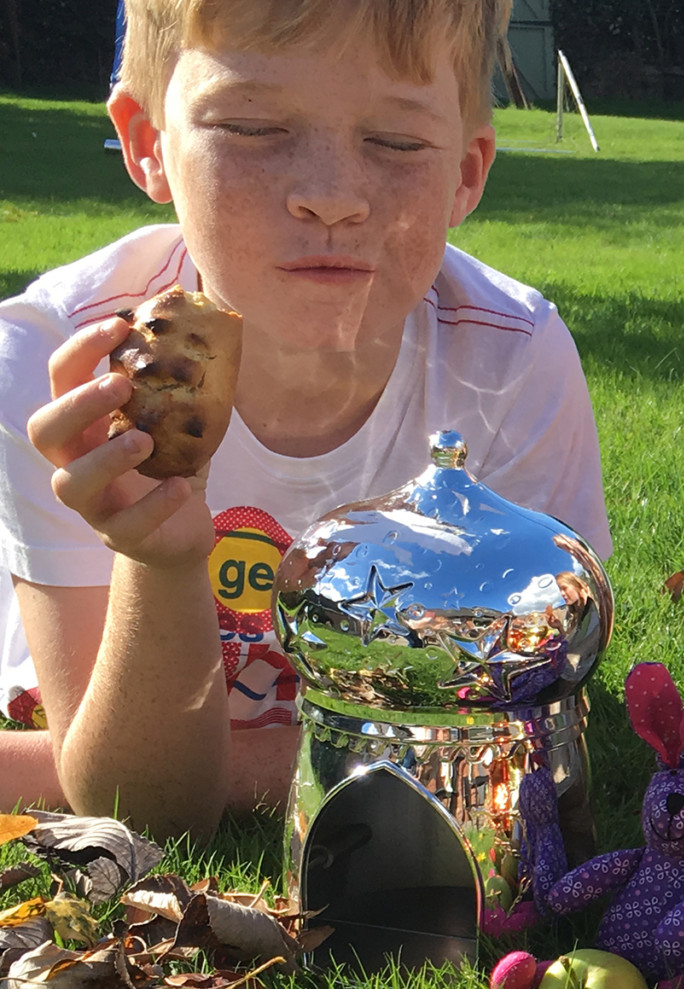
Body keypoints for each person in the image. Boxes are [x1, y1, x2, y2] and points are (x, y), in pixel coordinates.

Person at [0, 0, 611, 840]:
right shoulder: (62, 365)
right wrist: (160, 561)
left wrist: (57, 764)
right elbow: (140, 805)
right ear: (148, 143)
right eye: (252, 128)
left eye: (395, 142)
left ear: (466, 172)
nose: (330, 197)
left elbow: (538, 728)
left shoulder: (510, 362)